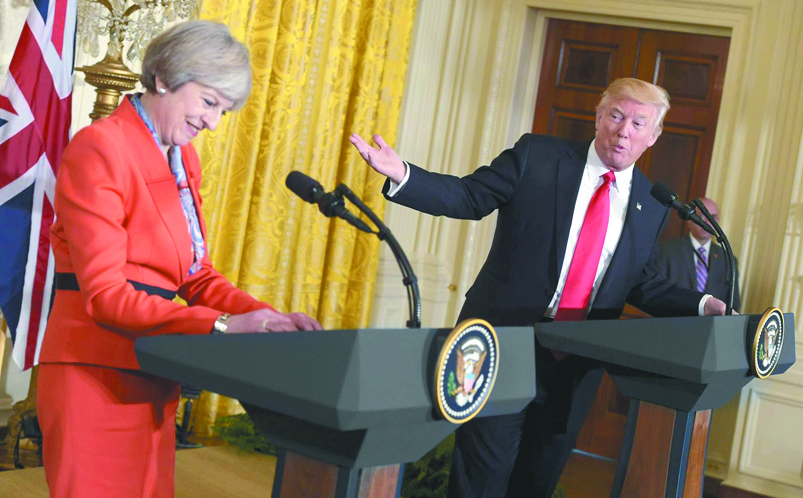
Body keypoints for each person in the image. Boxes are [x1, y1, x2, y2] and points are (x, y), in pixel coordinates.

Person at [349, 78, 728, 498]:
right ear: (598, 116)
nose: (624, 131)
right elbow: (469, 196)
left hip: (575, 361)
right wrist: (403, 174)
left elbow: (639, 280)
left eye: (639, 124)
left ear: (653, 136)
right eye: (617, 116)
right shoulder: (538, 157)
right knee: (482, 479)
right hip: (502, 342)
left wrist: (703, 303)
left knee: (537, 482)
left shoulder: (652, 202)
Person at [36, 20, 322, 497]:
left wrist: (264, 319)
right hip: (95, 375)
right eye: (209, 102)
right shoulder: (101, 146)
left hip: (155, 371)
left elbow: (195, 275)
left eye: (223, 111)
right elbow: (107, 297)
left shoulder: (182, 157)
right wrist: (223, 326)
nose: (213, 122)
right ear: (164, 78)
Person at [656, 197, 741, 311]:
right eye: (701, 216)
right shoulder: (667, 251)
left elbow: (733, 304)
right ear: (689, 220)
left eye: (712, 217)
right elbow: (658, 293)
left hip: (712, 322)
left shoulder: (728, 258)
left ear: (718, 220)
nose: (707, 222)